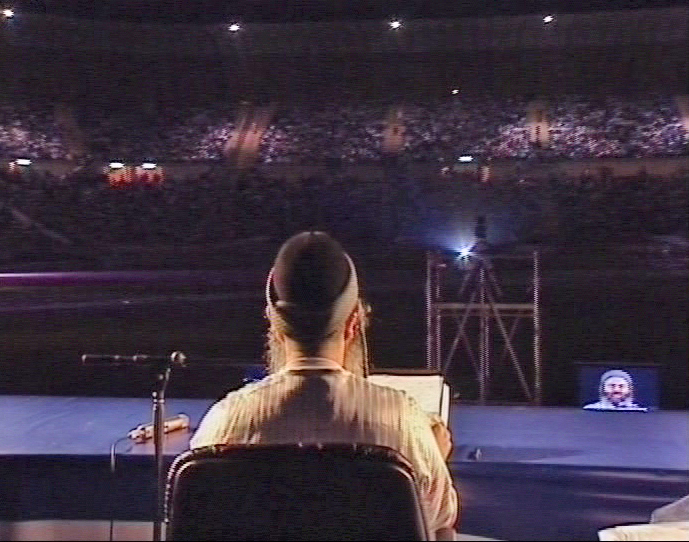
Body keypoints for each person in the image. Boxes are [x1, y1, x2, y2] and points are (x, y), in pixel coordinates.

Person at [190, 231, 459, 539]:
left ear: (274, 325)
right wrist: (433, 457)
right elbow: (436, 522)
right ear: (354, 323)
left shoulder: (224, 424)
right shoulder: (405, 424)